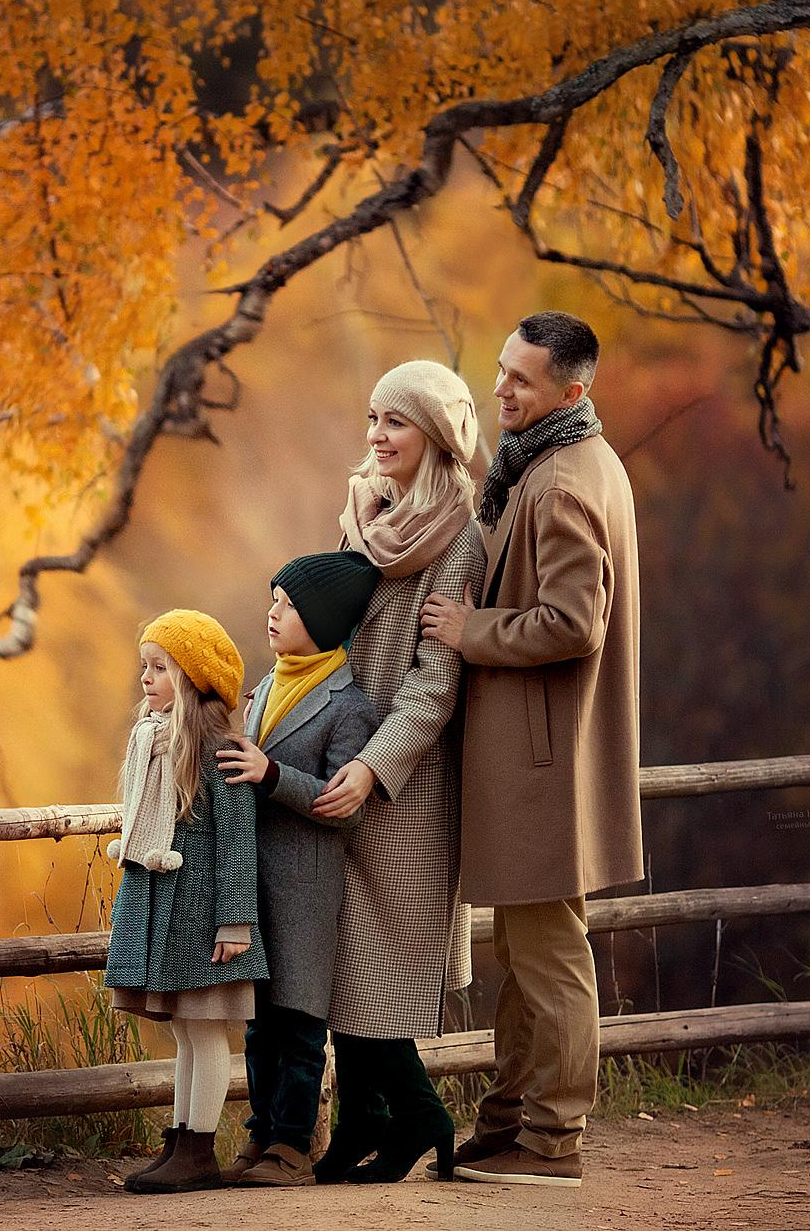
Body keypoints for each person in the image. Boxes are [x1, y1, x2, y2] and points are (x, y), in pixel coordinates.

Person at [419, 310, 643, 1187]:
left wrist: (470, 629)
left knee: (548, 953)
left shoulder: (557, 485)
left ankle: (554, 1139)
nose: (501, 388)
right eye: (501, 370)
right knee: (526, 948)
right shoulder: (568, 462)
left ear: (571, 391)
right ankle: (511, 1118)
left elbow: (573, 623)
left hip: (540, 762)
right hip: (547, 758)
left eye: (522, 379)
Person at [311, 360, 487, 1183]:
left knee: (377, 955)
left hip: (402, 777)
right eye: (373, 417)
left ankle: (418, 1114)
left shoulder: (460, 539)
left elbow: (433, 681)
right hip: (335, 747)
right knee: (341, 950)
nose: (376, 436)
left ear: (435, 436)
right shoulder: (362, 515)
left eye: (396, 422)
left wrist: (375, 769)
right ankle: (365, 1123)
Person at [214, 551, 383, 1187]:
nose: (273, 612)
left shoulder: (349, 704)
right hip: (254, 879)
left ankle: (292, 1144)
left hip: (308, 887)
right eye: (273, 599)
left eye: (286, 604)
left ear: (321, 617)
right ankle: (260, 1135)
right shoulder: (267, 684)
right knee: (258, 1017)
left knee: (300, 1020)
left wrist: (273, 774)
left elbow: (344, 811)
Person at [103, 609, 265, 1195]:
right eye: (143, 667)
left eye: (159, 668)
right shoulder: (152, 743)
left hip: (208, 922)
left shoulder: (219, 751)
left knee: (206, 1031)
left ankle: (199, 1149)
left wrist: (237, 921)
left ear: (194, 679)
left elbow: (237, 841)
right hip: (166, 911)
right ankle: (180, 1136)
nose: (145, 678)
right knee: (183, 1032)